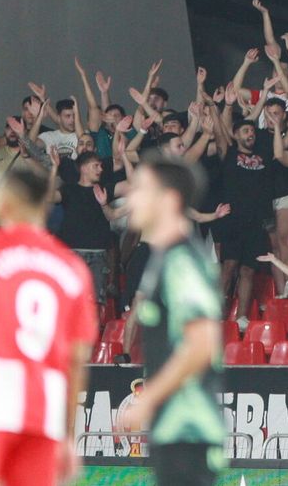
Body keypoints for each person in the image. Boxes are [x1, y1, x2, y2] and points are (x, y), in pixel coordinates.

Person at [0, 161, 97, 486]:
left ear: (4, 202)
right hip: (44, 410)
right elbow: (76, 362)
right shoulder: (72, 268)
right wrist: (67, 437)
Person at [115, 157, 227, 486]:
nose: (131, 198)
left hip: (187, 430)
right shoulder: (163, 258)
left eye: (141, 189)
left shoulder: (182, 261)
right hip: (173, 429)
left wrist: (148, 399)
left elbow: (202, 343)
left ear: (169, 200)